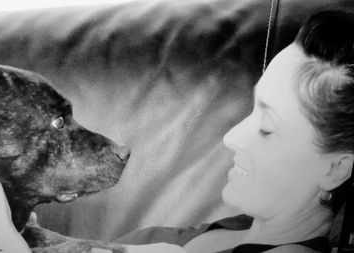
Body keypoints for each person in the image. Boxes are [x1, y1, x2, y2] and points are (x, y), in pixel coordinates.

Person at [117, 10, 354, 253]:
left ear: (336, 169)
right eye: (255, 109)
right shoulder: (233, 229)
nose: (231, 137)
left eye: (267, 128)